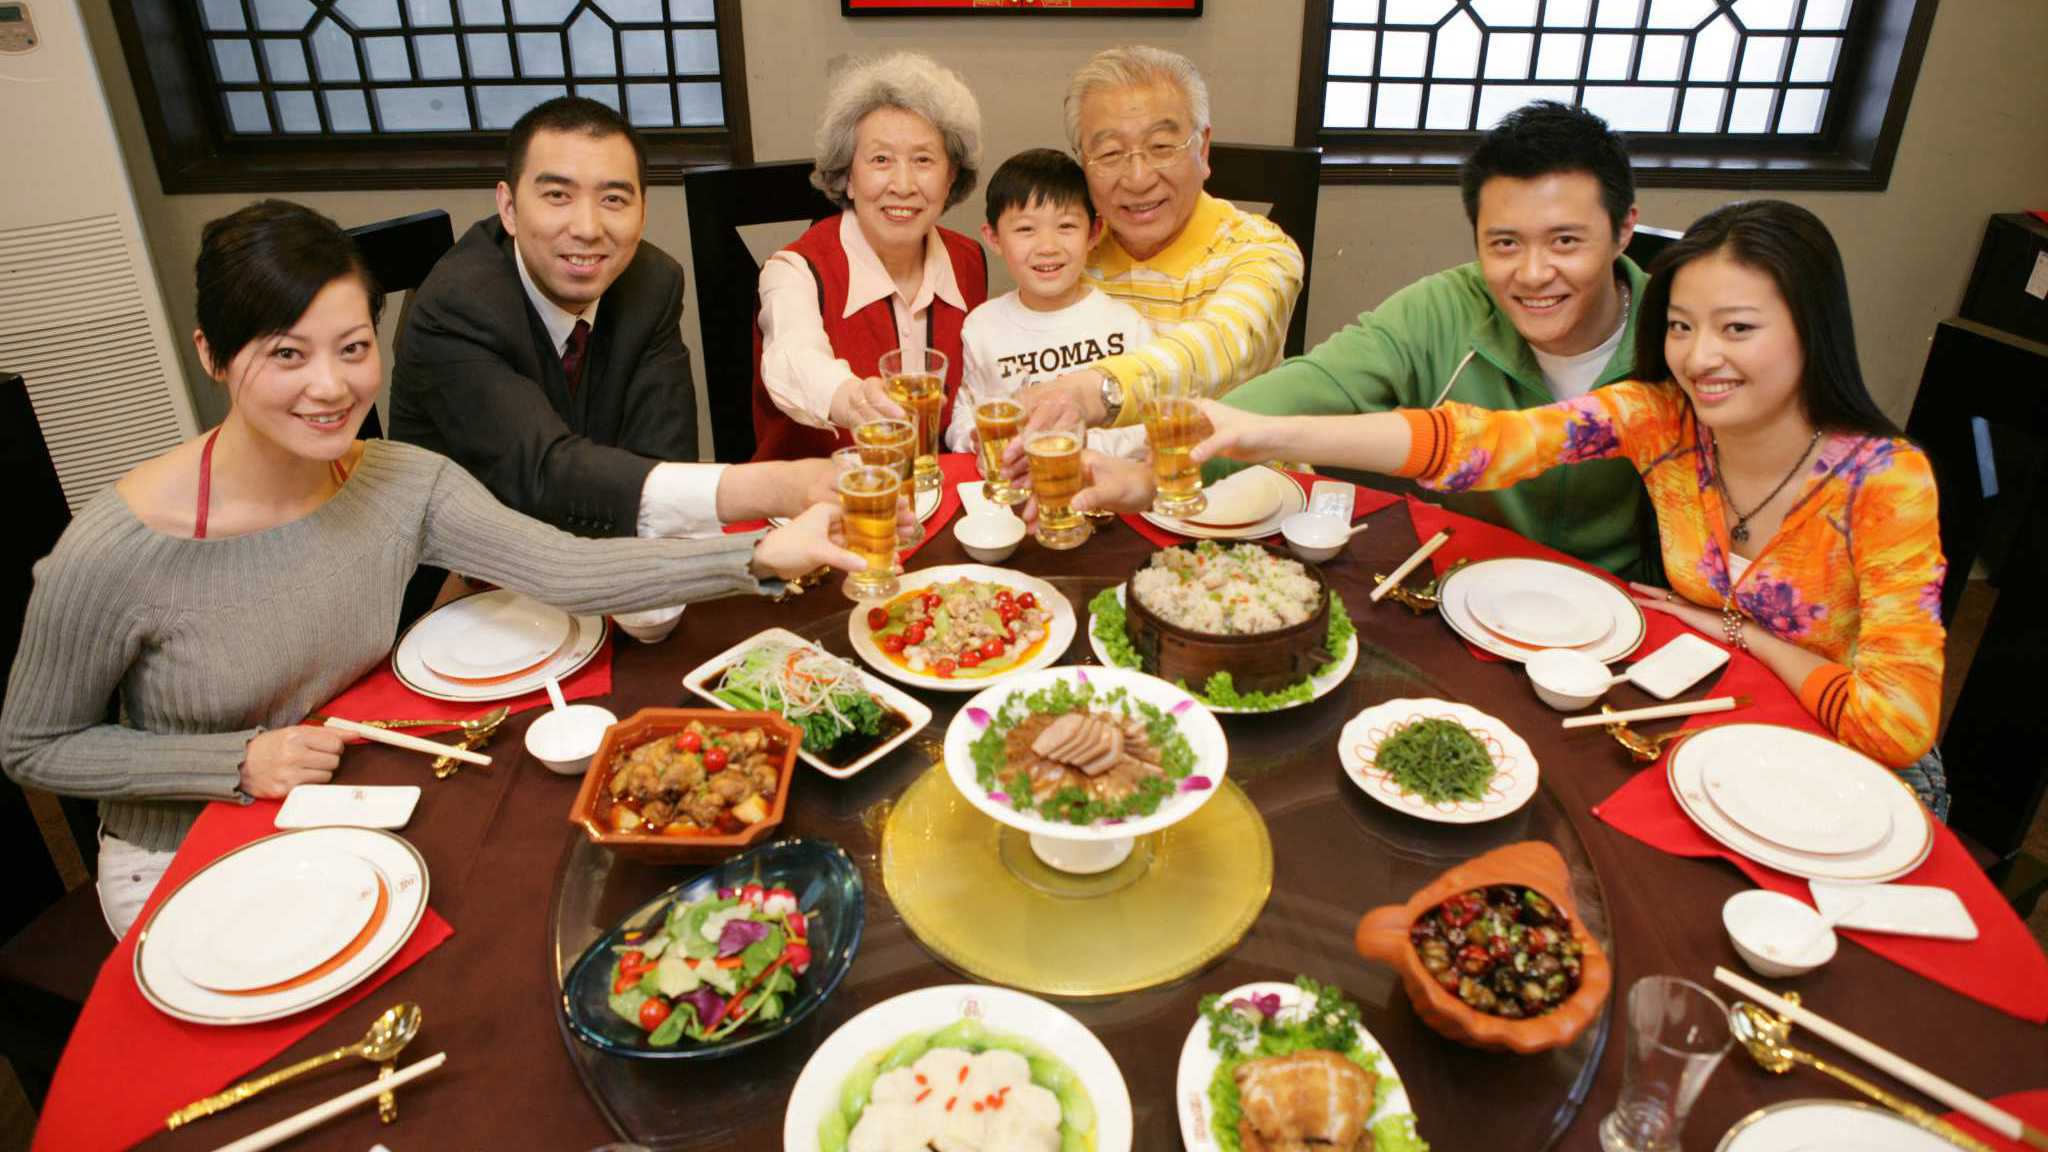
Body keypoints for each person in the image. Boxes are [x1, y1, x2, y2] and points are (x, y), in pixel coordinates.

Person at [0, 201, 864, 936]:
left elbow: (562, 568)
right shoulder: (119, 548)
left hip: (344, 797)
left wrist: (755, 551)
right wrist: (234, 762)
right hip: (184, 847)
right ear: (213, 356)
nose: (331, 387)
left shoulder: (398, 480)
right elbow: (34, 746)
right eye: (286, 354)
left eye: (351, 348)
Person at [1089, 201, 1947, 806]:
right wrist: (1253, 432)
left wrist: (1746, 633)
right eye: (1682, 326)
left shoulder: (1884, 479)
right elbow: (1475, 444)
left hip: (1850, 780)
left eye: (1739, 328)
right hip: (1707, 721)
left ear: (1811, 325)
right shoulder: (1663, 422)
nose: (1700, 357)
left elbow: (1898, 723)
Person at [390, 96, 838, 641]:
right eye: (557, 195)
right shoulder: (458, 305)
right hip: (465, 603)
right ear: (508, 207)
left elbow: (659, 450)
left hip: (604, 575)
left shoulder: (650, 282)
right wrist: (777, 485)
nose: (587, 228)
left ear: (643, 210)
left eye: (614, 199)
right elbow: (544, 472)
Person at [1216, 101, 1653, 577]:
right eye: (1505, 243)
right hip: (1459, 587)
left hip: (1628, 610)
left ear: (1624, 228)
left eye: (1565, 242)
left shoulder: (1684, 338)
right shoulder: (1444, 308)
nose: (1533, 274)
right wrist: (1162, 461)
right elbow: (1309, 387)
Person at [1008, 44, 1303, 448]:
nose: (1138, 178)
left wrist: (1098, 391)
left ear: (1202, 148)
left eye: (1161, 147)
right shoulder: (1069, 255)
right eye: (1109, 153)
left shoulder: (1262, 251)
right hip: (1097, 493)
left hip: (1236, 489)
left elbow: (1219, 345)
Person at [753, 51, 987, 461]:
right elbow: (793, 360)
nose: (903, 184)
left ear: (950, 177)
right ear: (847, 176)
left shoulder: (968, 261)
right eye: (881, 160)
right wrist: (853, 399)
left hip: (934, 501)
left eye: (923, 160)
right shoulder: (792, 271)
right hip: (817, 503)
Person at [944, 149, 1150, 460]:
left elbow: (1147, 427)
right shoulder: (982, 326)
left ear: (1094, 232)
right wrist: (974, 437)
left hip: (1105, 490)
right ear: (994, 238)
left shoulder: (1125, 324)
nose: (1047, 247)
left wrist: (1072, 445)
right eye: (1026, 229)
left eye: (1066, 226)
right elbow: (963, 415)